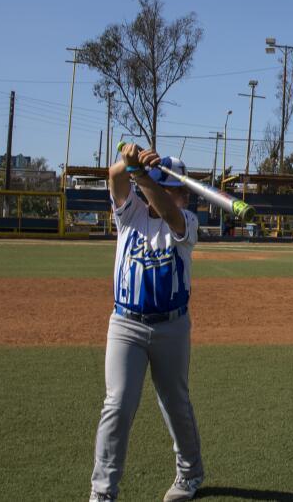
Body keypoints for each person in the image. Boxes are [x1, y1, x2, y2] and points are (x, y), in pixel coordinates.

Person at [89, 144, 204, 502]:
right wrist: (130, 157)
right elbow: (114, 176)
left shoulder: (186, 222)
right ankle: (103, 492)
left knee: (175, 404)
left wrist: (143, 174)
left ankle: (189, 474)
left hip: (172, 326)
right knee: (118, 404)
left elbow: (168, 213)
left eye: (179, 191)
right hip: (126, 324)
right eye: (170, 189)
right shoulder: (129, 213)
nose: (176, 196)